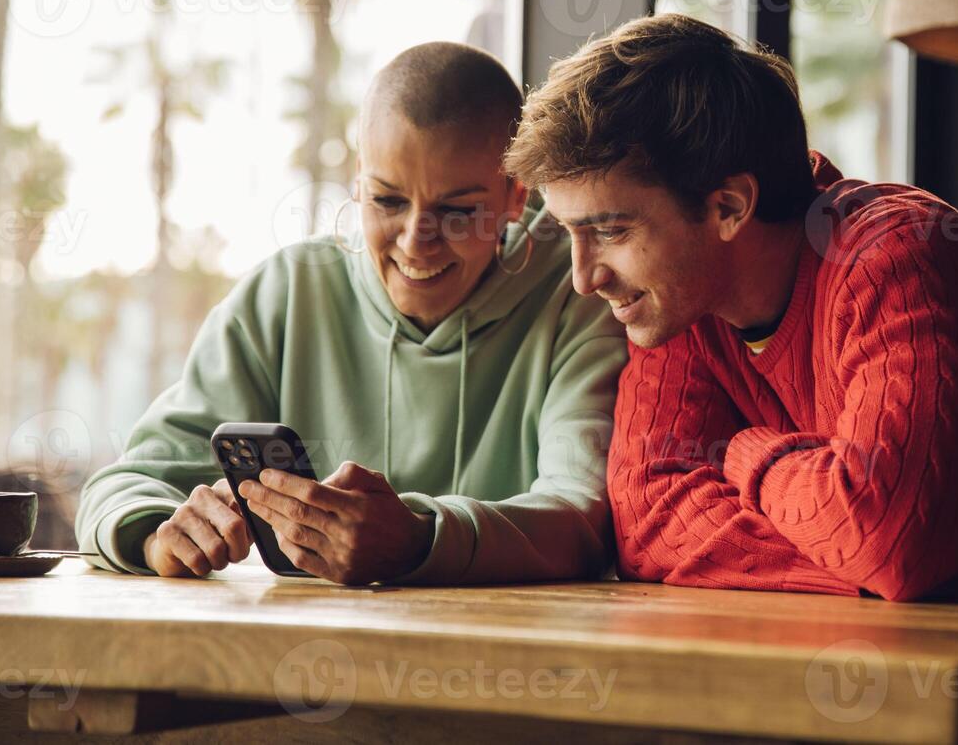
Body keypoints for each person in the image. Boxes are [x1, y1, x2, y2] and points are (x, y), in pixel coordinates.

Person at [503, 13, 958, 743]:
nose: (585, 276)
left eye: (611, 231)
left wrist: (744, 454)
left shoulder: (901, 258)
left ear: (729, 206)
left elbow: (890, 537)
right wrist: (892, 550)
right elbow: (650, 521)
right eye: (570, 233)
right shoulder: (680, 305)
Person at [76, 42, 626, 585]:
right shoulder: (288, 292)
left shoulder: (577, 292)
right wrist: (154, 536)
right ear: (359, 178)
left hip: (509, 662)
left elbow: (585, 514)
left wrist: (420, 540)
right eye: (387, 200)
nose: (416, 242)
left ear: (515, 195)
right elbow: (125, 483)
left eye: (457, 211)